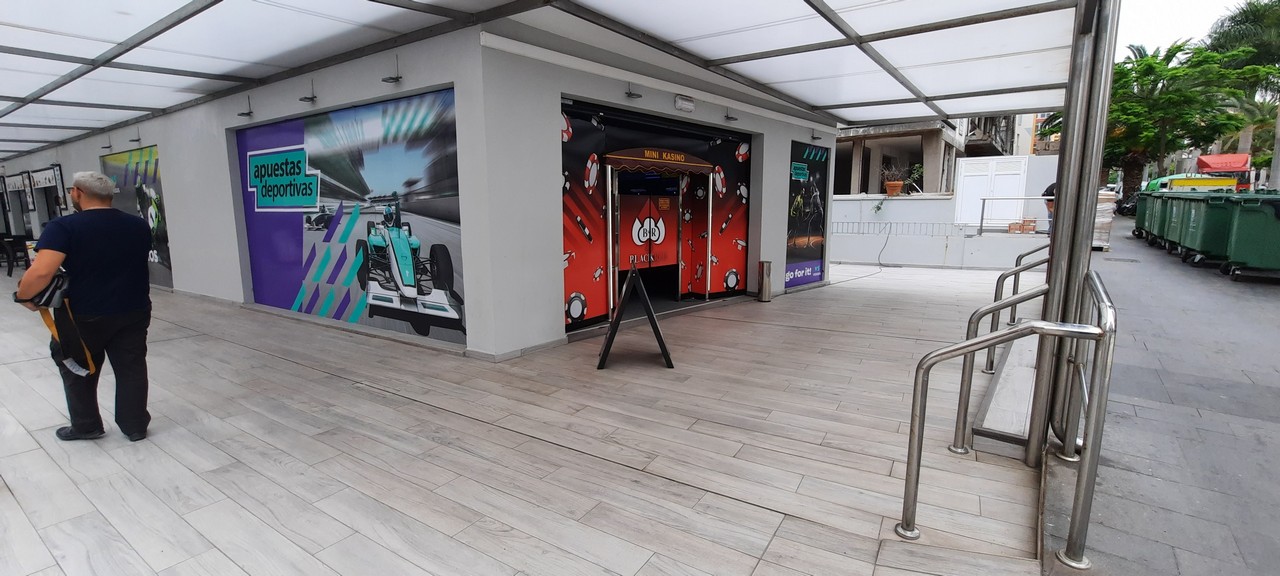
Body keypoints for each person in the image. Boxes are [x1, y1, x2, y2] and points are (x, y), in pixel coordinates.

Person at [12, 171, 152, 442]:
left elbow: (41, 272)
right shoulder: (137, 225)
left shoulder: (63, 227)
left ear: (78, 192)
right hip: (134, 309)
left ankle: (87, 426)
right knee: (132, 367)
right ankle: (135, 426)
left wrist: (24, 297)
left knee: (77, 367)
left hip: (82, 314)